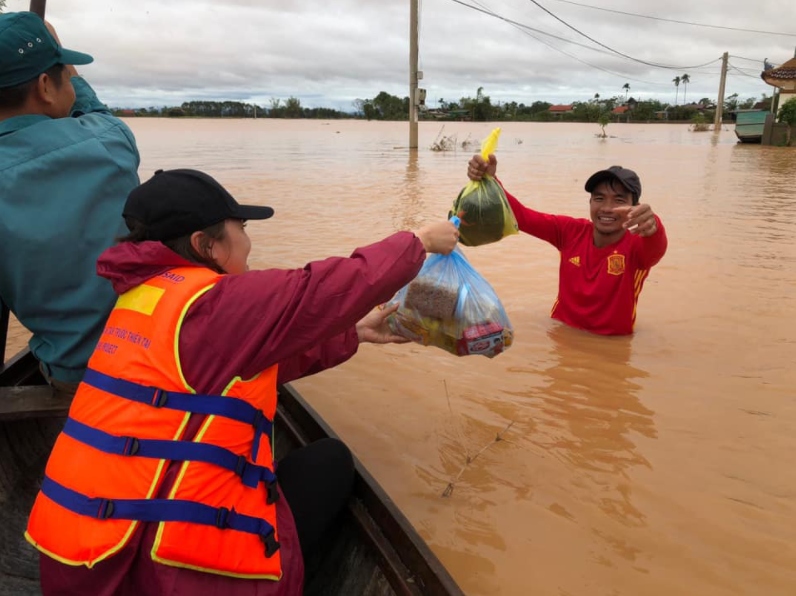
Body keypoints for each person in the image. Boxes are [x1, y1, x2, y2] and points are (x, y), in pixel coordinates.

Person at [25, 168, 460, 596]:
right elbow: (323, 289)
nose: (250, 242)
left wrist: (357, 333)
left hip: (79, 568)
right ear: (206, 245)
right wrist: (417, 243)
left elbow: (234, 370)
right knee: (329, 464)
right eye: (242, 228)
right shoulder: (213, 302)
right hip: (163, 576)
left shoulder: (144, 300)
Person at [0, 11, 140, 398]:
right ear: (46, 85)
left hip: (72, 377)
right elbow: (92, 109)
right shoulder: (111, 142)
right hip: (149, 357)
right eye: (65, 71)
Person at [467, 155, 667, 335]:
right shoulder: (570, 231)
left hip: (611, 344)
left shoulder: (638, 246)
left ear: (635, 208)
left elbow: (656, 246)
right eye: (599, 198)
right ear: (590, 203)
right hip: (561, 333)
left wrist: (654, 224)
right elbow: (522, 216)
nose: (607, 208)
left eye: (619, 200)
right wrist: (491, 180)